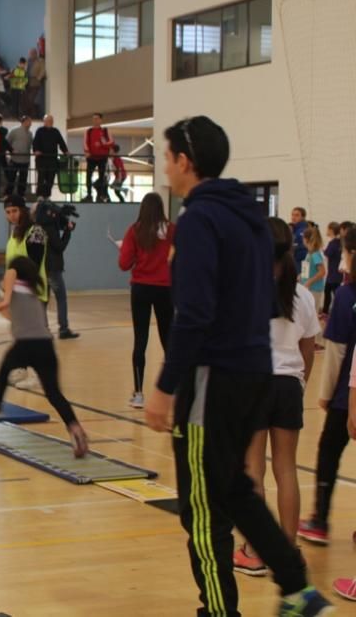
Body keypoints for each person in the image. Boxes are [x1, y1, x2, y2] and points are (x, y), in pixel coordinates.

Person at [145, 116, 331, 617]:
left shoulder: (201, 219)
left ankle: (221, 611)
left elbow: (195, 314)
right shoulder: (250, 215)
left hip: (212, 379)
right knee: (234, 489)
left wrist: (166, 385)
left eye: (166, 157)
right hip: (253, 372)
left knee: (202, 508)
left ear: (186, 161)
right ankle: (297, 588)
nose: (164, 167)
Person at [232, 217, 320, 577]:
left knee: (253, 468)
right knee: (287, 468)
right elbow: (309, 347)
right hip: (287, 386)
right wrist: (300, 382)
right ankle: (289, 551)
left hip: (253, 384)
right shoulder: (302, 296)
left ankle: (254, 549)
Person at [0, 256, 88, 457]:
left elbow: (9, 283)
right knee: (54, 394)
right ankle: (75, 429)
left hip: (26, 344)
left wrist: (4, 299)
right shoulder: (31, 292)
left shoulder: (12, 278)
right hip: (45, 345)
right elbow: (14, 317)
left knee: (4, 368)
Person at [298, 226, 356, 547]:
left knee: (329, 452)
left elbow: (336, 352)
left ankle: (319, 520)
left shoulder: (346, 297)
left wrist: (324, 394)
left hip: (346, 396)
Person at [118, 192, 174, 409]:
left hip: (141, 288)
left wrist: (126, 251)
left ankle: (139, 393)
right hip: (165, 289)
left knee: (140, 340)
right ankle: (171, 391)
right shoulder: (171, 230)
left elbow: (124, 264)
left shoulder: (135, 230)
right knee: (168, 340)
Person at [37, 201, 79, 340]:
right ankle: (63, 328)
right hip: (53, 269)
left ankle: (43, 329)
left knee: (44, 299)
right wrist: (67, 232)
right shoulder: (49, 228)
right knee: (61, 298)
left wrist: (65, 225)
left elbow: (58, 223)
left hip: (43, 268)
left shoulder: (40, 225)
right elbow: (59, 246)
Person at [32, 115, 68, 199]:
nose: (49, 122)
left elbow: (61, 142)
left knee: (51, 178)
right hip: (41, 159)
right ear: (44, 122)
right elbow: (35, 142)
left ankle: (47, 195)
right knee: (41, 177)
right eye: (48, 121)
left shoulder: (56, 131)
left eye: (51, 121)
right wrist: (36, 150)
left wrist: (65, 151)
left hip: (52, 159)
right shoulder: (39, 131)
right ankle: (40, 195)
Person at [84, 113, 114, 202]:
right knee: (88, 176)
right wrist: (87, 152)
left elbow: (111, 142)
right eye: (93, 119)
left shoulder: (105, 131)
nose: (95, 121)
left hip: (102, 157)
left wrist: (101, 144)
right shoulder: (88, 131)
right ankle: (89, 195)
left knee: (102, 177)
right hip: (91, 157)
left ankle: (100, 195)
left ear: (101, 120)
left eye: (97, 119)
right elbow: (85, 142)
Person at [301, 226, 327, 313]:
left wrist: (309, 281)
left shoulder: (315, 254)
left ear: (306, 239)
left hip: (314, 289)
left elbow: (322, 272)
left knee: (312, 314)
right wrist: (300, 276)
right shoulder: (309, 253)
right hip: (309, 288)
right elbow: (309, 269)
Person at [6, 116, 33, 198]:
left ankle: (21, 194)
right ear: (24, 122)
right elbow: (7, 142)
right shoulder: (14, 131)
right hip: (15, 159)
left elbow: (31, 145)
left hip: (25, 160)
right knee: (11, 178)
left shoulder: (30, 134)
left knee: (23, 179)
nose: (30, 123)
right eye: (29, 121)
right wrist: (11, 151)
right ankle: (8, 194)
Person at [323, 222, 342, 315]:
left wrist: (322, 250)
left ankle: (327, 311)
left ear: (331, 230)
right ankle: (326, 311)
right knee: (331, 292)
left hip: (333, 274)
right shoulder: (340, 242)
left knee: (330, 293)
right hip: (336, 273)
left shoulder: (333, 243)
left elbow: (327, 253)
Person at [291, 207, 309, 273]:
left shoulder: (303, 230)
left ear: (303, 217)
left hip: (301, 261)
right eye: (292, 215)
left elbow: (303, 245)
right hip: (295, 260)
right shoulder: (294, 229)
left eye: (297, 215)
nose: (293, 217)